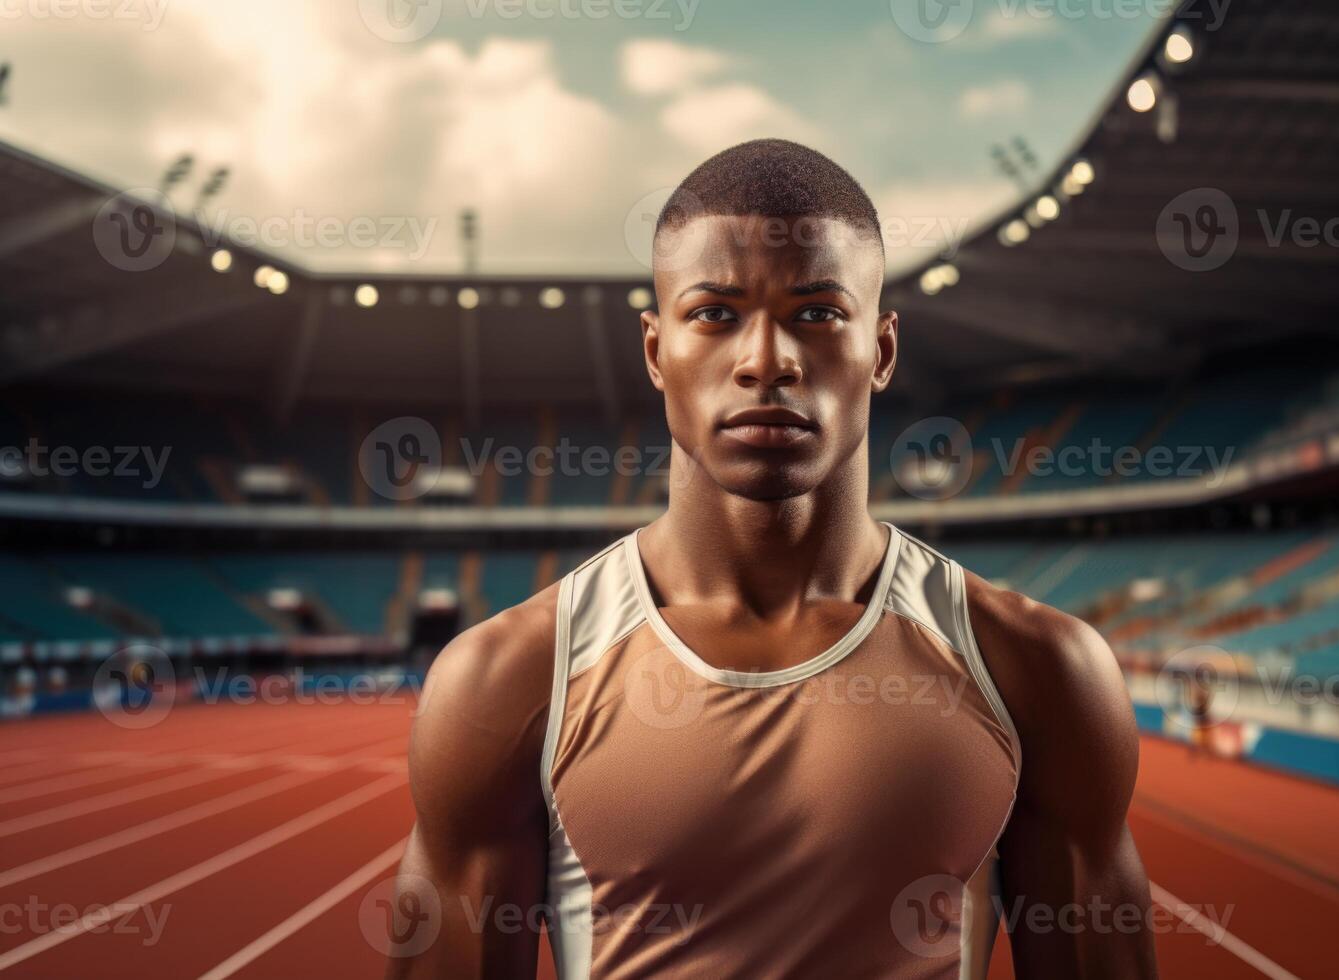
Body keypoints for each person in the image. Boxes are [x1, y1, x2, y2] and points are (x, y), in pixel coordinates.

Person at [387, 139, 1158, 979]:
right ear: (656, 352)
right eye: (715, 313)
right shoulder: (508, 678)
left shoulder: (1038, 668)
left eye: (818, 313)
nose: (766, 361)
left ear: (884, 350)